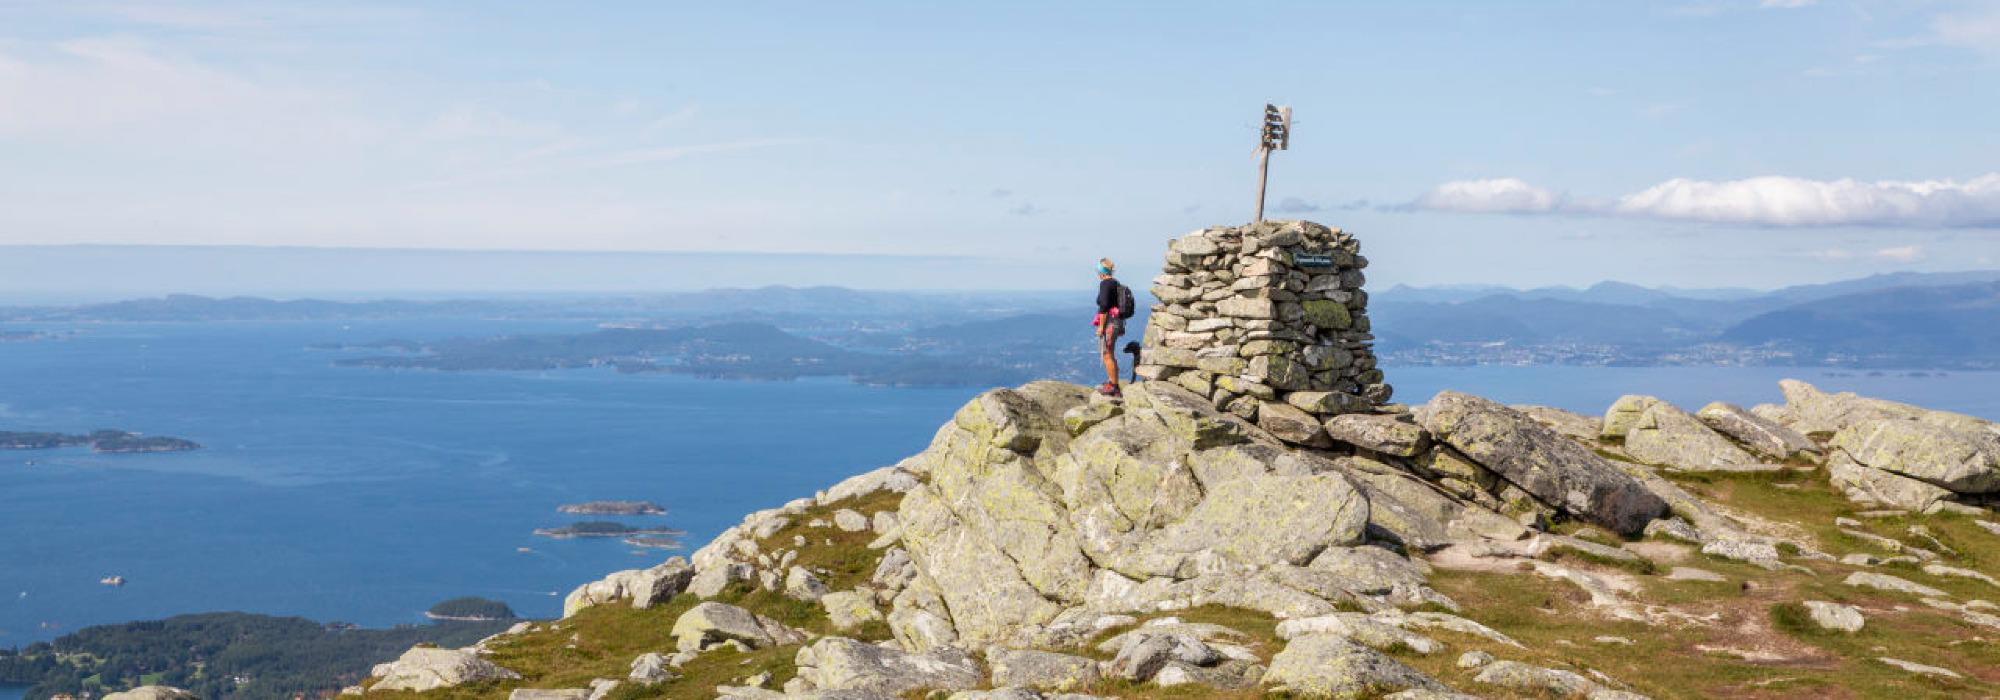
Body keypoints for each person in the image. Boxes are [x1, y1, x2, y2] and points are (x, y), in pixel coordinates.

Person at [1093, 258, 1126, 397]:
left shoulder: (1105, 284)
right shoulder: (1115, 283)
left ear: (1101, 272)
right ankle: (1113, 384)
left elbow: (1104, 307)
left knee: (1107, 354)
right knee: (1110, 354)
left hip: (1109, 324)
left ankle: (1113, 386)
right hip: (1117, 322)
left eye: (1098, 270)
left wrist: (1101, 326)